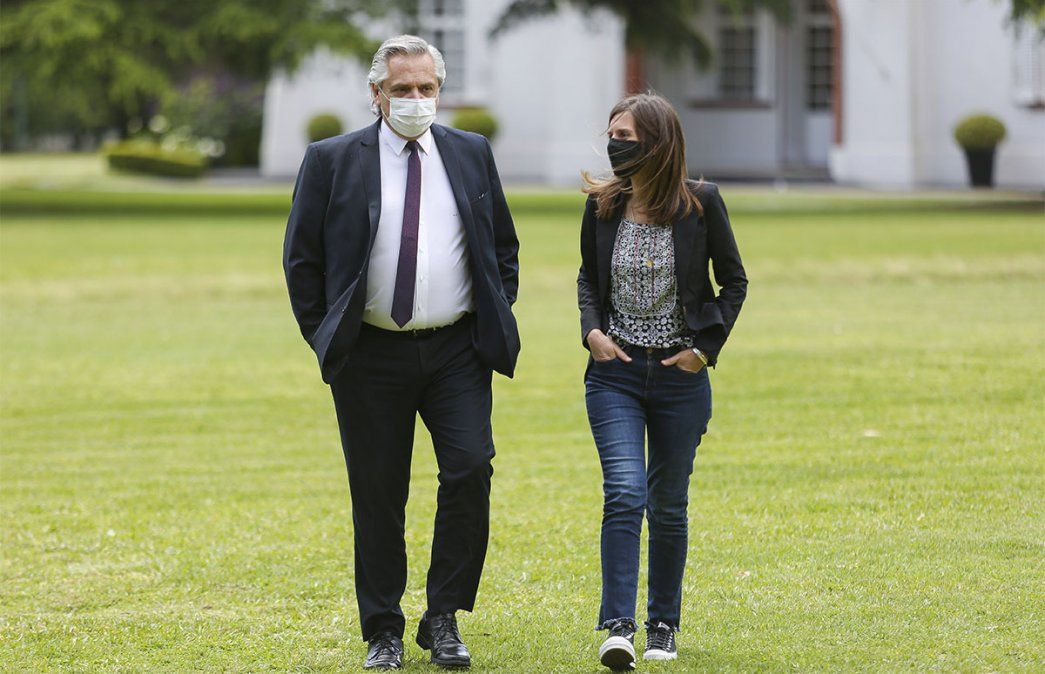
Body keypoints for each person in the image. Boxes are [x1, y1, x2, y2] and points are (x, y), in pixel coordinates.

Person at [282, 35, 520, 671]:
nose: (415, 99)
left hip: (456, 351)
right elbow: (302, 259)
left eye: (426, 88)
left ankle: (443, 616)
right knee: (378, 492)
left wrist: (494, 308)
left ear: (440, 90)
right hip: (369, 355)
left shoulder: (470, 152)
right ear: (376, 94)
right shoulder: (332, 159)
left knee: (470, 468)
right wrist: (325, 335)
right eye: (401, 89)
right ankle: (382, 628)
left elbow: (502, 245)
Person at [577, 93, 747, 671]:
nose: (614, 144)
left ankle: (663, 625)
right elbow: (588, 278)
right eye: (611, 134)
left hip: (679, 378)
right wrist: (592, 331)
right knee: (625, 492)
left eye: (625, 135)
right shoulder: (603, 204)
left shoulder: (702, 203)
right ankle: (617, 626)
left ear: (658, 142)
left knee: (668, 505)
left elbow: (734, 281)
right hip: (615, 376)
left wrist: (704, 351)